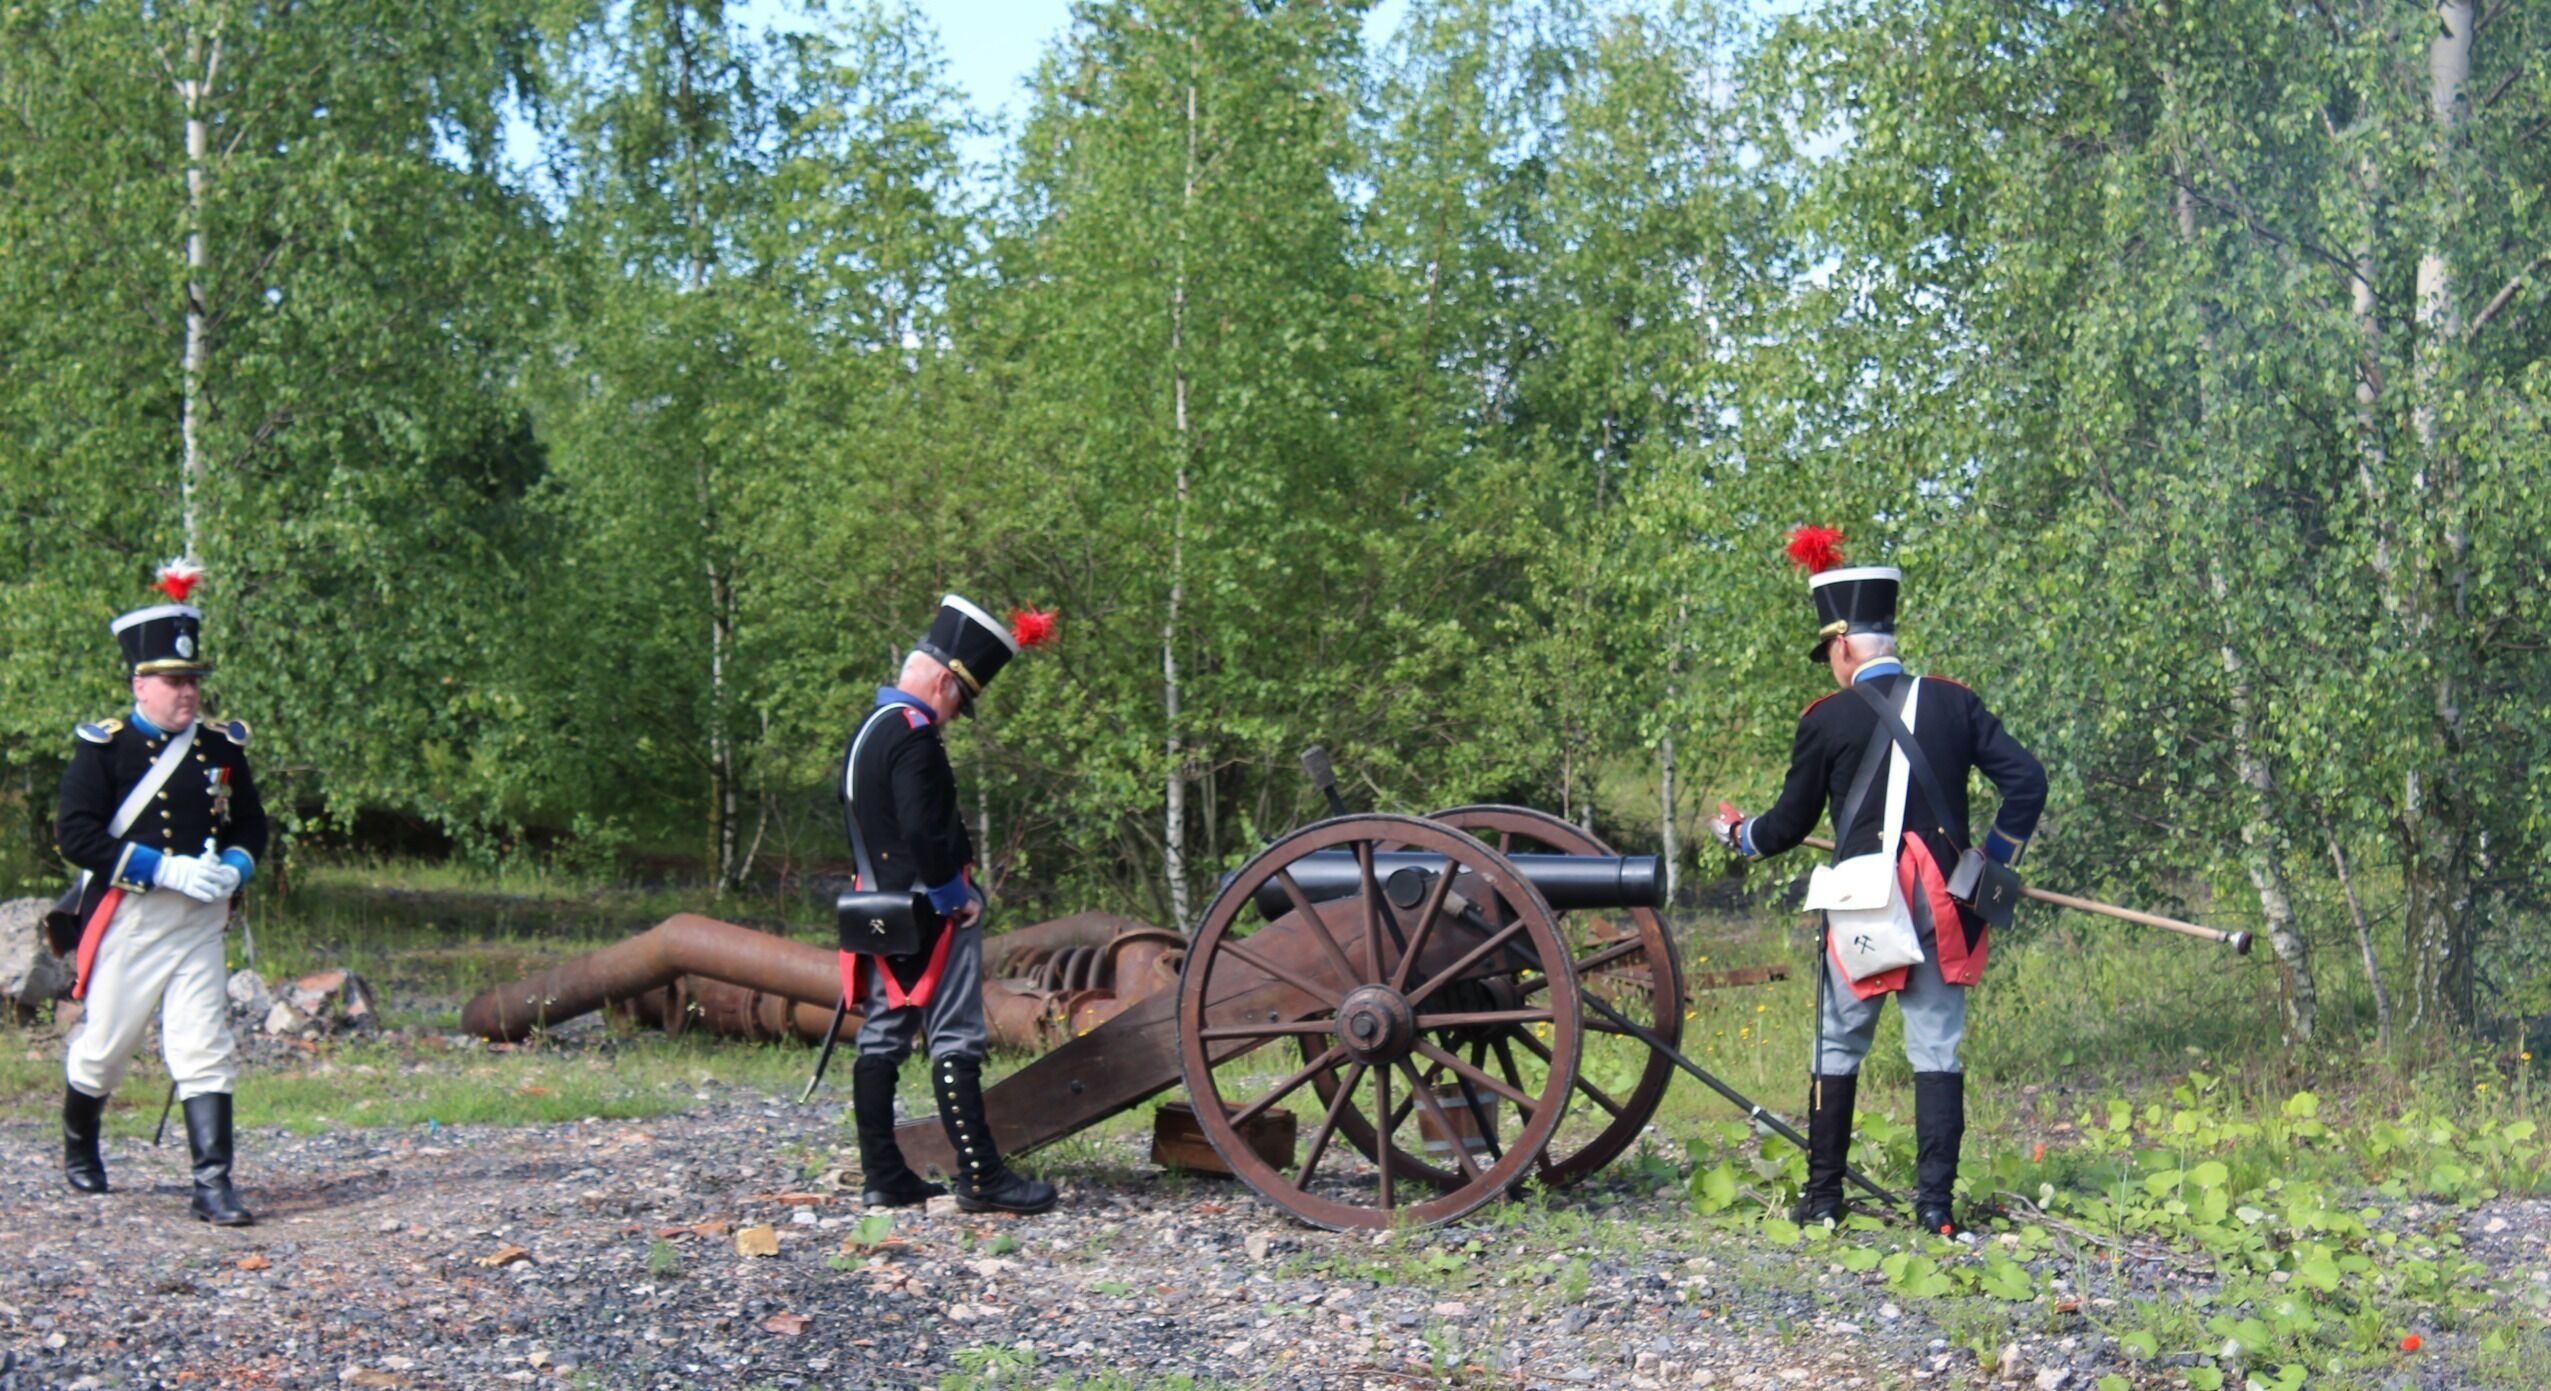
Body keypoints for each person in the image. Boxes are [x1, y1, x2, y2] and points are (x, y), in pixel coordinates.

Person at [1712, 528, 2044, 1236]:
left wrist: (1740, 836)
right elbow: (2027, 780)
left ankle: (1825, 1201)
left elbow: (1787, 823)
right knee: (1935, 1048)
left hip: (1864, 899)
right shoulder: (1954, 702)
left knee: (1837, 1047)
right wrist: (1989, 856)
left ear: (1840, 647)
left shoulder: (1825, 717)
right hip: (1946, 899)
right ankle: (1934, 1209)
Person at [51, 563, 266, 1226]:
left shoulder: (220, 749)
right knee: (105, 1047)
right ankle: (79, 1141)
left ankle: (213, 1184)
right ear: (140, 683)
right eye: (175, 680)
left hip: (200, 917)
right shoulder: (105, 750)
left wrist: (233, 867)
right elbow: (77, 835)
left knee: (204, 1044)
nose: (188, 692)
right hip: (134, 916)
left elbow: (250, 824)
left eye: (194, 680)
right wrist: (162, 869)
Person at [840, 594, 1059, 1216]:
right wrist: (950, 894)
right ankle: (982, 1176)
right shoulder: (912, 735)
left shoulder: (868, 732)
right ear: (941, 680)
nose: (954, 714)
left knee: (882, 1035)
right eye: (958, 698)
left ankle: (883, 1174)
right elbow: (919, 825)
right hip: (928, 913)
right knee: (956, 1034)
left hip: (877, 907)